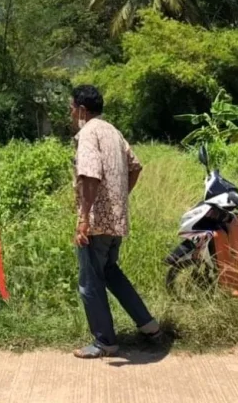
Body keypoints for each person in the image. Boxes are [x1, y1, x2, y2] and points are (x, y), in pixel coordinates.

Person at [69, 84, 161, 359]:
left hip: (97, 223)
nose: (71, 113)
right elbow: (135, 166)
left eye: (71, 108)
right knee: (110, 272)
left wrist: (84, 218)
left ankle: (105, 342)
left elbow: (90, 175)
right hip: (116, 220)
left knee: (89, 282)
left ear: (82, 110)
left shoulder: (87, 133)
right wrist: (118, 198)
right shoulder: (113, 131)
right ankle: (150, 326)